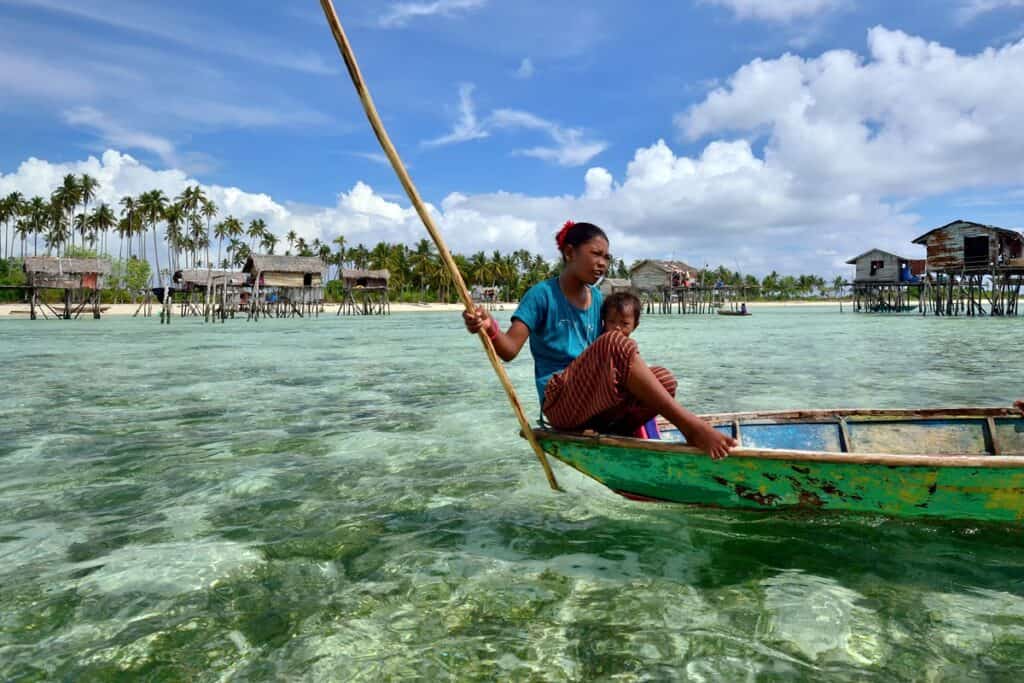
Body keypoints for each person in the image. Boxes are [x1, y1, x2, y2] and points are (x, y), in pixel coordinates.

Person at [463, 220, 735, 460]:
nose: (603, 263)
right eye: (595, 254)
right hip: (560, 400)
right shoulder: (541, 295)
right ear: (570, 252)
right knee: (613, 341)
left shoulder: (597, 301)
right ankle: (691, 426)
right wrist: (488, 327)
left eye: (607, 256)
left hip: (593, 403)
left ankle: (618, 430)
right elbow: (509, 351)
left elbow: (612, 361)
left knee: (664, 379)